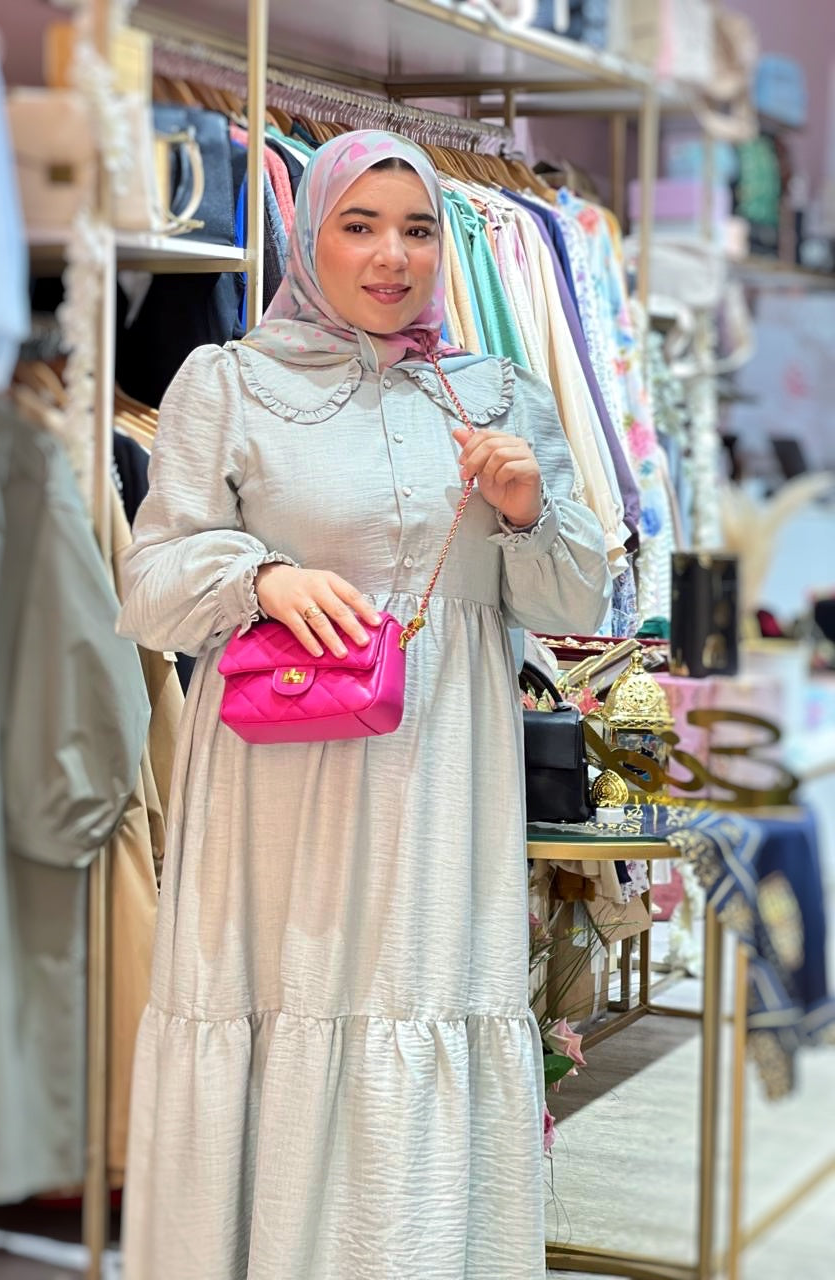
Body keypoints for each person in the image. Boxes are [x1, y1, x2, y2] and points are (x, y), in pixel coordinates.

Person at [116, 129, 611, 1280]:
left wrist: (528, 510)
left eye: (419, 230)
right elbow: (150, 585)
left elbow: (574, 597)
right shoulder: (228, 382)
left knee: (420, 997)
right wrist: (260, 578)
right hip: (277, 787)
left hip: (440, 775)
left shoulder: (499, 391)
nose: (394, 256)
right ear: (310, 236)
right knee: (275, 996)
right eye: (361, 226)